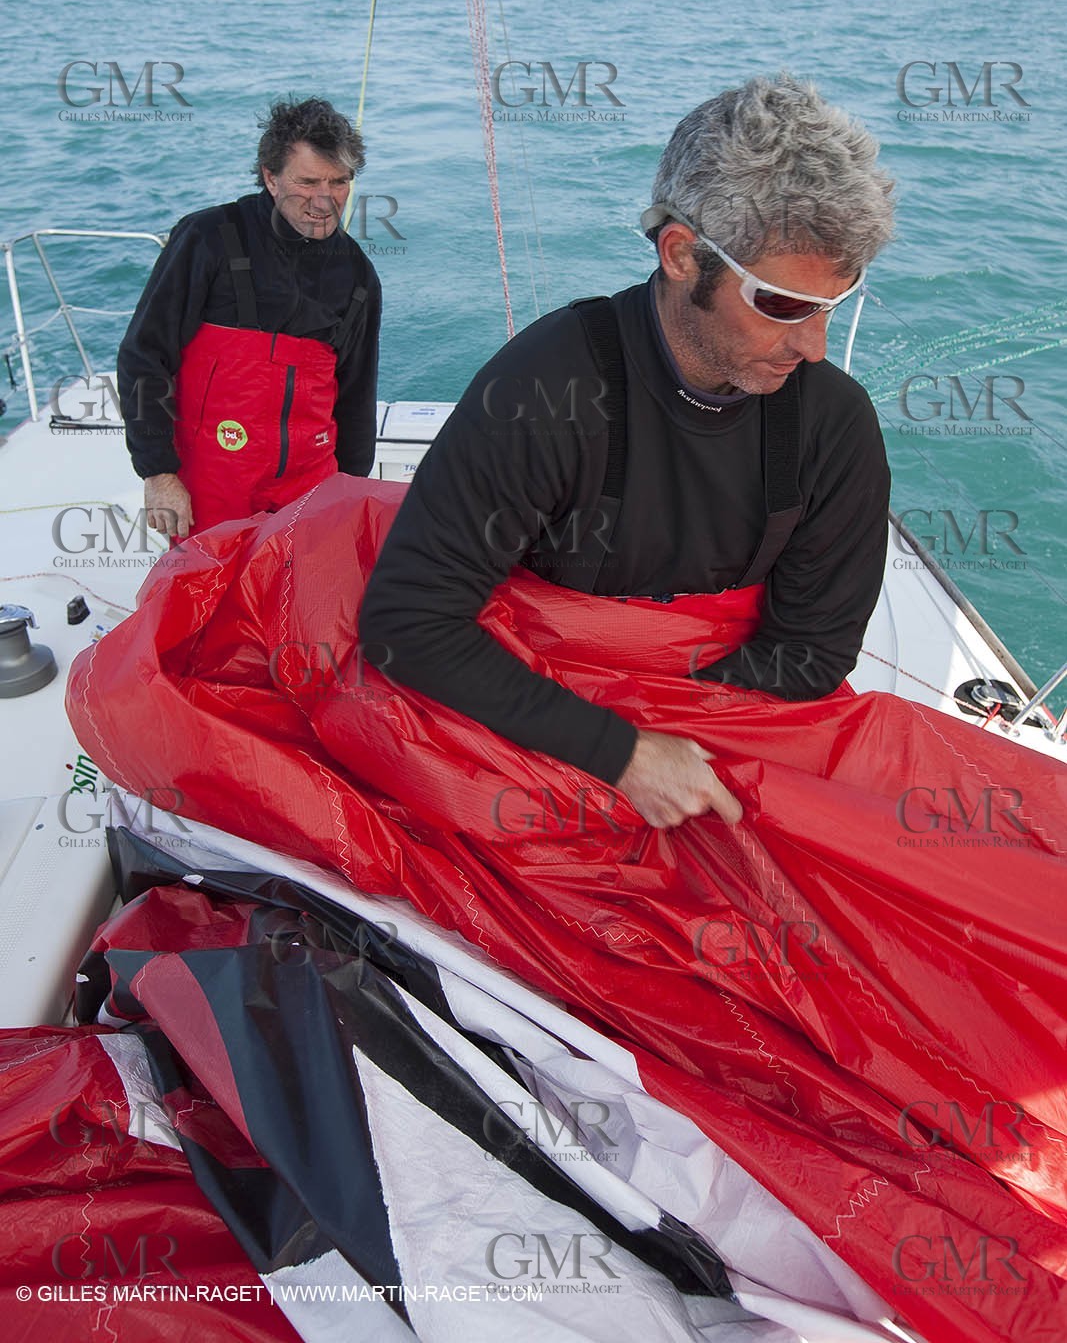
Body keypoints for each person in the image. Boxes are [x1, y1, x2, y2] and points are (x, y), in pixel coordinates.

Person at [359, 73, 894, 833]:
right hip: (530, 720)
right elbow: (408, 622)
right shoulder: (543, 389)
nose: (812, 347)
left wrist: (677, 751)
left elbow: (810, 652)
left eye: (831, 309)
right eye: (781, 306)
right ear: (681, 254)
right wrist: (621, 753)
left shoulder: (832, 423)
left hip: (714, 739)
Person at [117, 96, 382, 539]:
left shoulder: (358, 274)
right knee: (208, 602)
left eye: (339, 182)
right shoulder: (208, 238)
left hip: (310, 486)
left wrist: (350, 490)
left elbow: (356, 396)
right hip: (213, 483)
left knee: (301, 603)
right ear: (271, 178)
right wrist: (158, 472)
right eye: (308, 181)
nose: (325, 200)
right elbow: (144, 356)